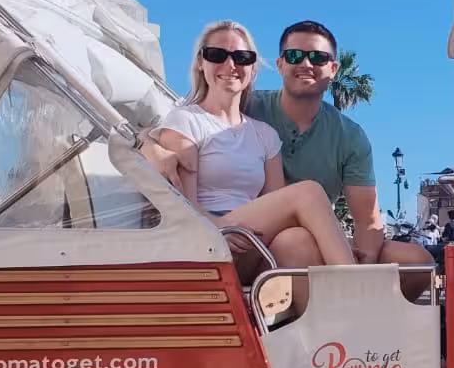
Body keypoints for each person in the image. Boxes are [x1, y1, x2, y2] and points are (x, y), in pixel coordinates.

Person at [240, 20, 435, 307]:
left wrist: (364, 258)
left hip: (324, 242)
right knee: (295, 241)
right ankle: (341, 335)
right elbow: (195, 119)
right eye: (295, 56)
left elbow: (367, 219)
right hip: (255, 244)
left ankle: (358, 320)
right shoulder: (247, 107)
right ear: (280, 65)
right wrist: (157, 144)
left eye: (318, 57)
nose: (306, 64)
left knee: (417, 263)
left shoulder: (349, 136)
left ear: (333, 69)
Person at [149, 20, 356, 278]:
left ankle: (326, 317)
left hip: (250, 242)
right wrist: (219, 225)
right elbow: (182, 206)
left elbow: (276, 204)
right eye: (216, 55)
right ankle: (358, 290)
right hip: (205, 238)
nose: (230, 65)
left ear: (253, 68)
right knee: (309, 192)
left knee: (295, 240)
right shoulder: (185, 121)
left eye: (242, 57)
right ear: (201, 63)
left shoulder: (264, 135)